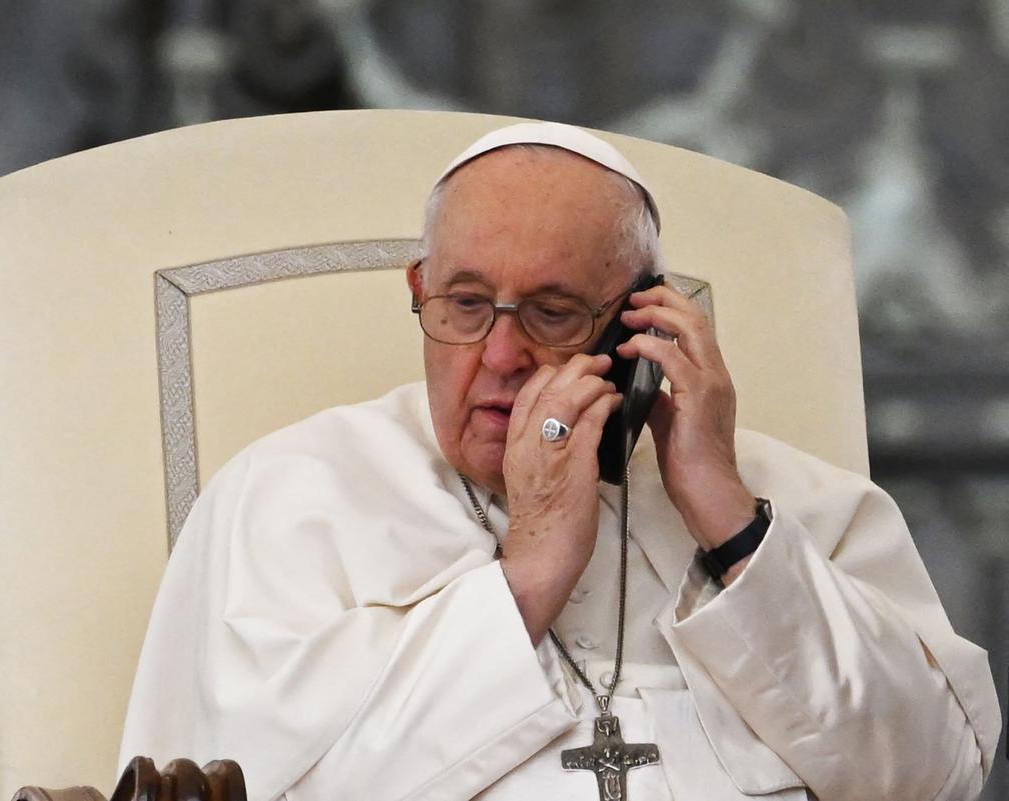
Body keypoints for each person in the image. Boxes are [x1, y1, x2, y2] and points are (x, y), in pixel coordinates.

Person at [119, 122, 1001, 800]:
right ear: (419, 293)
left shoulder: (795, 502)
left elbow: (936, 774)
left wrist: (729, 524)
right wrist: (527, 575)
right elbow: (251, 786)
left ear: (641, 325)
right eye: (466, 304)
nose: (500, 356)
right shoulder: (286, 500)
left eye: (551, 311)